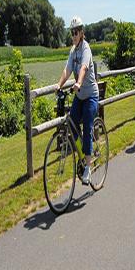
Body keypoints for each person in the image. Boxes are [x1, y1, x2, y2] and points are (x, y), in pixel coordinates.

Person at [56, 16, 99, 185]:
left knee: (87, 124)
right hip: (79, 95)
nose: (73, 35)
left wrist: (79, 82)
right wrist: (59, 85)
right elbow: (67, 69)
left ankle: (88, 166)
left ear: (81, 33)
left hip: (90, 95)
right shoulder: (72, 51)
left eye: (76, 32)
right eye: (71, 33)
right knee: (72, 127)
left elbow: (83, 67)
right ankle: (84, 154)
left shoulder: (86, 49)